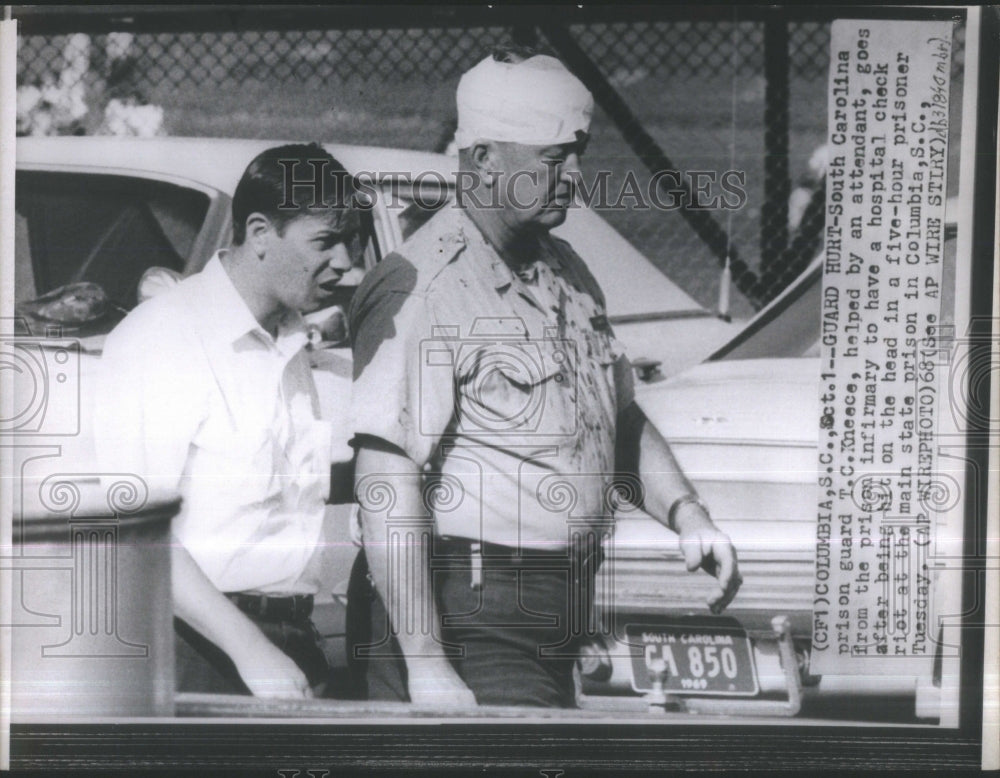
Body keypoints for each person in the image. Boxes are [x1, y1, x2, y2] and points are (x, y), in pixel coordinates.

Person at [346, 48, 743, 708]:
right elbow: (385, 477)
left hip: (558, 606)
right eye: (551, 158)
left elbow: (616, 418)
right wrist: (426, 663)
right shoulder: (427, 287)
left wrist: (688, 514)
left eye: (577, 153)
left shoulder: (565, 269)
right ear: (482, 160)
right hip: (468, 609)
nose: (573, 175)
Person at [94, 143, 364, 699]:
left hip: (288, 644)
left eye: (350, 241)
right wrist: (249, 648)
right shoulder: (164, 337)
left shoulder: (289, 340)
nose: (345, 262)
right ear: (260, 232)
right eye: (324, 241)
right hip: (193, 650)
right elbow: (133, 532)